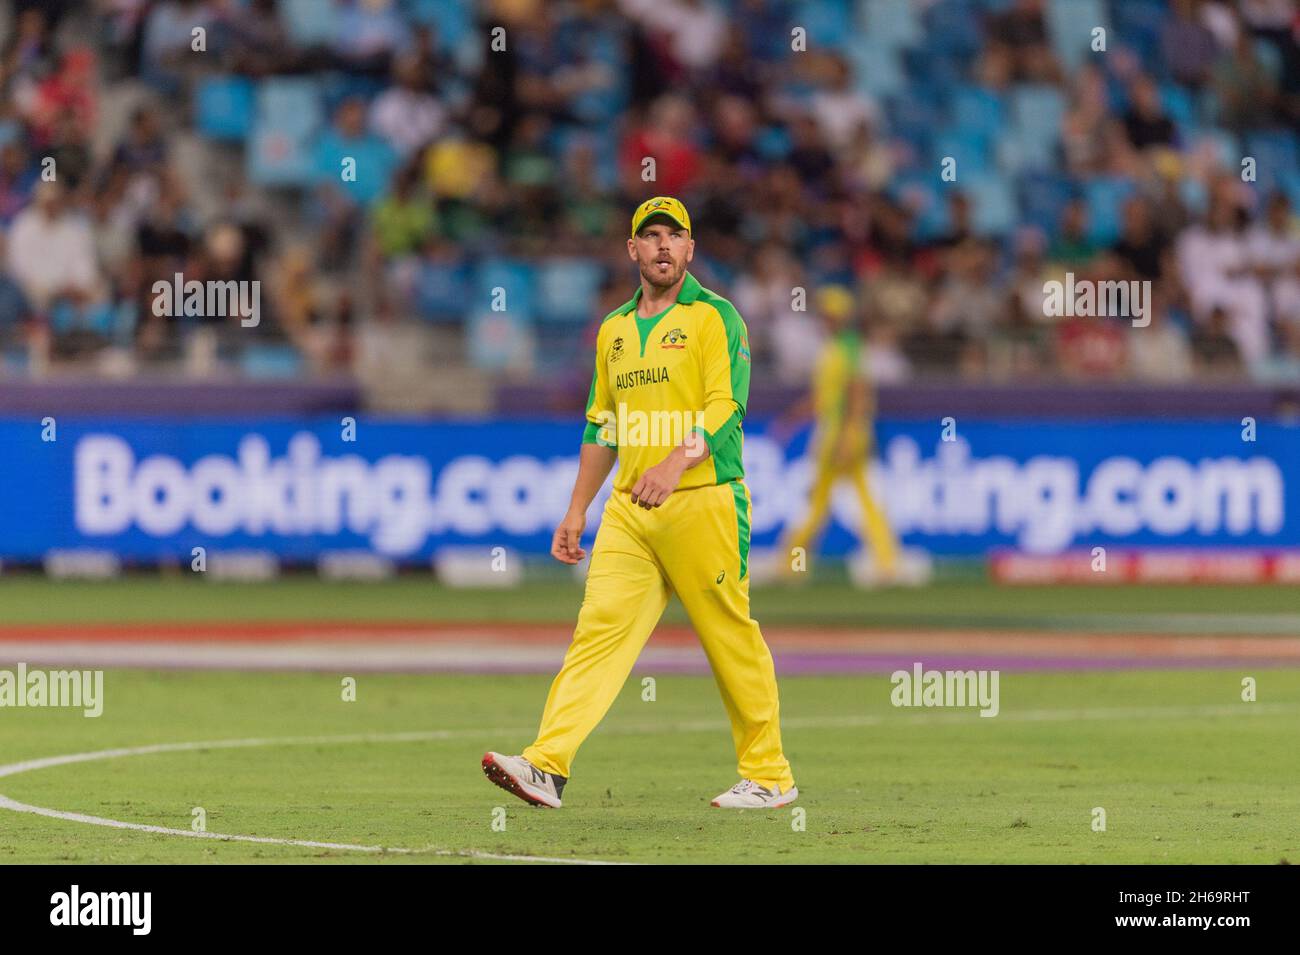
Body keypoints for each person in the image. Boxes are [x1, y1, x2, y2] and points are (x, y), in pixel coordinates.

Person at [483, 196, 797, 809]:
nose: (660, 246)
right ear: (632, 250)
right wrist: (576, 509)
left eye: (672, 236)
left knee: (729, 636)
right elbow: (602, 426)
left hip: (704, 500)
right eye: (648, 236)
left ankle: (770, 775)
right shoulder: (614, 330)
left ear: (689, 248)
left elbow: (725, 406)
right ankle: (547, 764)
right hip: (630, 510)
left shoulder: (716, 317)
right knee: (597, 633)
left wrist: (675, 462)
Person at [776, 285, 899, 582]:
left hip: (839, 433)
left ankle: (792, 562)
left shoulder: (848, 348)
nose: (824, 319)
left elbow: (857, 394)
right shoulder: (834, 348)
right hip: (840, 431)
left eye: (829, 314)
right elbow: (824, 396)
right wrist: (794, 418)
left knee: (818, 501)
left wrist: (848, 435)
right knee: (863, 499)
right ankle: (886, 562)